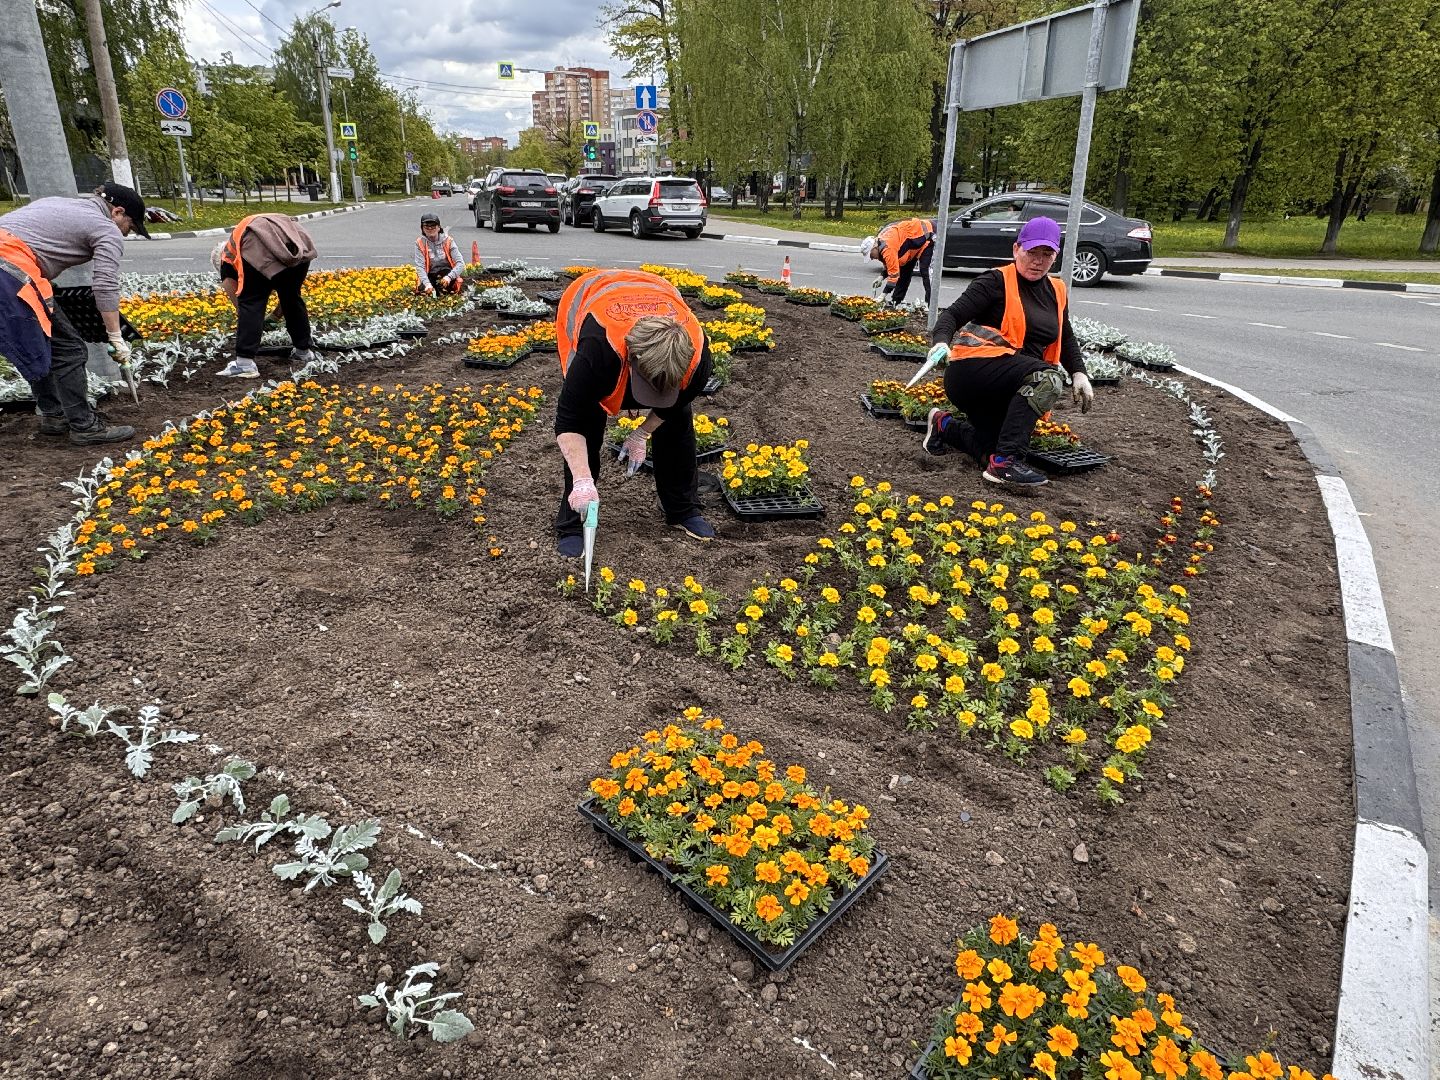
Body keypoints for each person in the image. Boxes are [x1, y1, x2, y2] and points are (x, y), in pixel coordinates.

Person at [921, 216, 1094, 490]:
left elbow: (1066, 334)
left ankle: (945, 425)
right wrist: (941, 343)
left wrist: (1079, 373)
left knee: (989, 446)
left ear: (1056, 257)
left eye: (1046, 254)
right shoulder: (995, 281)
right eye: (1031, 252)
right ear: (1016, 250)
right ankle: (1007, 464)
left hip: (1008, 381)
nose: (1038, 261)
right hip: (972, 374)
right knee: (1047, 378)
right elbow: (951, 315)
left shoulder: (1057, 290)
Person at [553, 269, 716, 557]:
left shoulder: (699, 357)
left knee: (678, 423)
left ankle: (681, 508)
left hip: (655, 292)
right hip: (588, 301)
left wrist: (642, 434)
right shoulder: (598, 351)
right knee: (588, 423)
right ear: (631, 359)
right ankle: (573, 522)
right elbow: (569, 422)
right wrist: (582, 478)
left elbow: (676, 404)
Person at [0, 183, 148, 445]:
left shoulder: (57, 202)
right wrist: (115, 336)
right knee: (70, 349)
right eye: (131, 227)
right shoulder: (105, 229)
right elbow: (104, 285)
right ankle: (84, 426)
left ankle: (54, 416)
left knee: (45, 340)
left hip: (11, 269)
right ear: (117, 212)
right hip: (10, 271)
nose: (126, 234)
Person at [209, 213, 318, 378]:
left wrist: (255, 320)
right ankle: (304, 352)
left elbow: (243, 305)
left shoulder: (227, 258)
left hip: (260, 246)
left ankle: (244, 364)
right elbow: (288, 298)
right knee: (292, 297)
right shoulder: (255, 228)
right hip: (299, 244)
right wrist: (274, 317)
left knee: (251, 300)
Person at [860, 217, 935, 306]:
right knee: (904, 270)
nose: (872, 258)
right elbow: (891, 265)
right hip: (910, 244)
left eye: (871, 255)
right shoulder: (881, 244)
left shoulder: (888, 249)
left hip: (925, 235)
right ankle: (896, 301)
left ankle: (930, 305)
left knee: (925, 271)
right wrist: (881, 276)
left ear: (874, 247)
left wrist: (882, 295)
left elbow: (894, 276)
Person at [413, 212, 465, 295]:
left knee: (449, 292)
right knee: (424, 292)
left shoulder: (448, 241)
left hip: (448, 274)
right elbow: (420, 266)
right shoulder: (419, 243)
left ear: (438, 227)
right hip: (430, 275)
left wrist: (449, 277)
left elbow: (461, 263)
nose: (430, 229)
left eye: (433, 226)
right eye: (426, 226)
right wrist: (427, 284)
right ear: (422, 229)